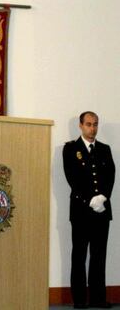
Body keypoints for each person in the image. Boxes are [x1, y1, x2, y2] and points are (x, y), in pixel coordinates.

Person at [62, 111, 115, 309]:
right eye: (89, 124)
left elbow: (110, 175)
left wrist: (103, 197)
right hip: (81, 210)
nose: (92, 128)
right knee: (79, 255)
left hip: (102, 211)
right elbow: (72, 177)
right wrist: (90, 199)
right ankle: (80, 300)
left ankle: (98, 298)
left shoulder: (104, 149)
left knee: (99, 255)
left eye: (95, 124)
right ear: (80, 125)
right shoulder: (70, 149)